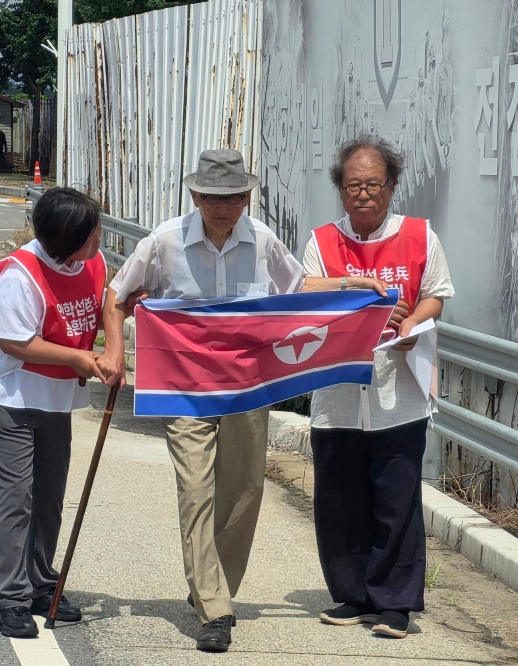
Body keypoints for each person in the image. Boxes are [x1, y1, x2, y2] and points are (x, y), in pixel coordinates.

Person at [101, 149, 386, 652]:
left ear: (246, 197)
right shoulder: (165, 241)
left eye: (233, 198)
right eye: (212, 197)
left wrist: (350, 284)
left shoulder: (262, 241)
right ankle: (214, 608)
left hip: (247, 385)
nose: (222, 207)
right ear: (195, 196)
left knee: (244, 491)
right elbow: (118, 295)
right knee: (195, 490)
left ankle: (216, 588)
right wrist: (116, 351)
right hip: (183, 386)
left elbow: (298, 290)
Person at [300, 134, 454, 639]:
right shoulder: (323, 242)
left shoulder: (419, 235)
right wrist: (351, 285)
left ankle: (395, 603)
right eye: (352, 186)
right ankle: (352, 594)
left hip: (399, 392)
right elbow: (302, 290)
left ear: (391, 186)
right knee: (340, 498)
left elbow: (435, 296)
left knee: (397, 500)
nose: (362, 194)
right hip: (338, 392)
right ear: (339, 190)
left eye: (373, 184)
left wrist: (413, 327)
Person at [0, 187, 115, 639]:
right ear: (65, 236)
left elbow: (111, 299)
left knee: (49, 498)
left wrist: (114, 348)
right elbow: (15, 342)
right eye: (92, 232)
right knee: (16, 501)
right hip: (10, 400)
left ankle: (40, 584)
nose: (99, 239)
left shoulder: (92, 262)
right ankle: (11, 598)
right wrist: (78, 359)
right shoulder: (20, 274)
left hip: (55, 401)